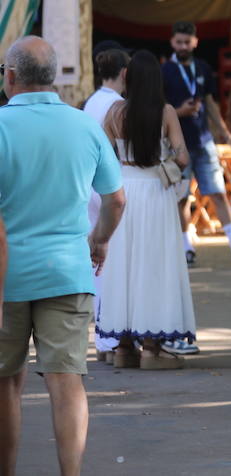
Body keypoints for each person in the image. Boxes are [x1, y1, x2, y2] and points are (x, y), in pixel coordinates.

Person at [0, 37, 125, 476]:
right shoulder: (84, 125)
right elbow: (116, 200)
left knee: (5, 384)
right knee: (66, 381)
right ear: (52, 77)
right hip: (67, 271)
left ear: (10, 77)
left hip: (6, 276)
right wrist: (99, 239)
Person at [97, 50, 197, 369]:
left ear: (127, 77)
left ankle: (124, 348)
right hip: (155, 189)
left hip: (124, 187)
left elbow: (99, 153)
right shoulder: (166, 112)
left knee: (123, 263)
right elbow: (182, 158)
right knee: (153, 263)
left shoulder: (114, 112)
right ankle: (153, 348)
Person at [163, 21, 231, 265]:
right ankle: (187, 247)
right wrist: (179, 112)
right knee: (181, 197)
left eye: (187, 42)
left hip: (204, 140)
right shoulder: (164, 71)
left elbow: (210, 103)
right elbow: (160, 110)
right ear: (172, 42)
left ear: (195, 42)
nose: (183, 46)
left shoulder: (203, 68)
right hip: (178, 144)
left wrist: (226, 134)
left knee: (217, 191)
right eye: (179, 42)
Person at [84, 44, 129, 360]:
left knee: (95, 262)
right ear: (124, 73)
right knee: (108, 262)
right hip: (109, 185)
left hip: (89, 186)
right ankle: (108, 336)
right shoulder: (117, 105)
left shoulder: (91, 102)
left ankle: (103, 335)